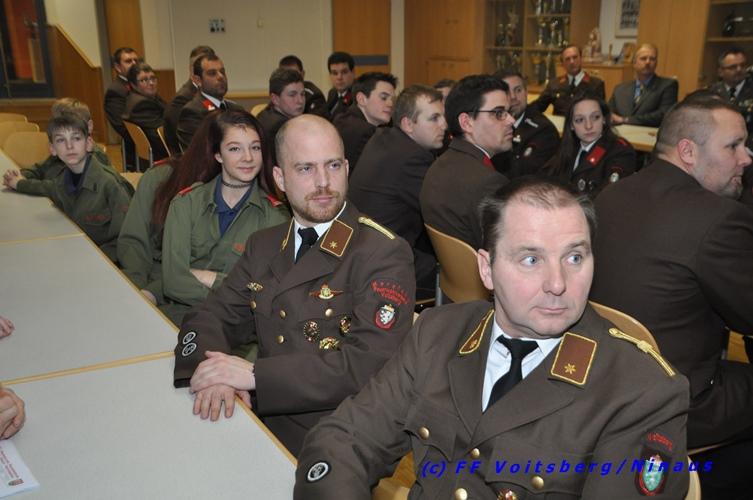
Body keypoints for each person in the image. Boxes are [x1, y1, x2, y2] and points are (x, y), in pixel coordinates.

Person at [294, 177, 690, 499]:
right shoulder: (438, 334)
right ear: (487, 269)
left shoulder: (641, 392)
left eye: (574, 258)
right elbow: (343, 440)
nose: (557, 283)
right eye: (531, 259)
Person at [172, 115, 415, 456]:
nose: (323, 182)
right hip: (262, 413)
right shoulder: (264, 245)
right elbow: (213, 315)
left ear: (347, 168)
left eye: (333, 165)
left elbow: (367, 365)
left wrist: (255, 375)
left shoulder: (381, 252)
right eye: (305, 169)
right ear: (280, 179)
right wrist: (215, 375)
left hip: (340, 432)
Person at [590, 95, 753, 499]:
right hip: (676, 400)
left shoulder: (610, 197)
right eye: (734, 146)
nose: (747, 157)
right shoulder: (718, 219)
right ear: (688, 152)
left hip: (602, 381)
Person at [161, 110, 289, 325]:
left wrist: (208, 277)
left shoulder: (276, 217)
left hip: (241, 329)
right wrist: (236, 291)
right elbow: (173, 283)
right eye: (235, 148)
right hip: (181, 319)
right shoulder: (186, 204)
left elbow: (266, 290)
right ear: (218, 155)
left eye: (255, 147)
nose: (248, 157)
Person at [349, 84, 447, 295]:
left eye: (443, 117)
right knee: (459, 272)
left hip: (358, 250)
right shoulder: (413, 159)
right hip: (382, 264)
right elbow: (444, 211)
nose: (444, 125)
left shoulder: (382, 137)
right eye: (434, 118)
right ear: (408, 124)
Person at [420, 74, 513, 250]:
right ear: (467, 122)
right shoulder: (487, 182)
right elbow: (503, 252)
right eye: (498, 113)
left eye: (509, 112)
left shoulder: (439, 164)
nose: (511, 120)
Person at [43, 114, 131, 262]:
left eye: (76, 138)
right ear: (52, 149)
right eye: (61, 140)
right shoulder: (60, 182)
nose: (69, 146)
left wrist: (92, 259)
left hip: (108, 260)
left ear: (89, 143)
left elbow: (127, 238)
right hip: (77, 253)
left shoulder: (110, 184)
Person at [2, 98, 133, 197]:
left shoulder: (94, 158)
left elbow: (57, 188)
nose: (68, 142)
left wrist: (20, 184)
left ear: (89, 126)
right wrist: (19, 175)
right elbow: (40, 168)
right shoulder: (62, 151)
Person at [545, 93, 636, 197]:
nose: (588, 126)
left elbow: (608, 197)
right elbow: (545, 179)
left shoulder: (619, 151)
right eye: (580, 120)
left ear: (604, 119)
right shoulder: (567, 145)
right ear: (571, 125)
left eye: (595, 117)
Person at [491, 70, 560, 178]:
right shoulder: (489, 123)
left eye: (518, 90)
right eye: (506, 92)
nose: (513, 97)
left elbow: (526, 177)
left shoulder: (544, 131)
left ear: (526, 92)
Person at [176, 54, 244, 150]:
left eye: (222, 72)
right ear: (198, 80)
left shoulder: (236, 109)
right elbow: (199, 153)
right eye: (212, 73)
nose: (221, 77)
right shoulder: (192, 112)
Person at [333, 72, 396, 169]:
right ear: (361, 99)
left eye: (393, 100)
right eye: (384, 98)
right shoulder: (365, 132)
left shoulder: (343, 119)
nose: (390, 104)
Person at [609, 43, 678, 127]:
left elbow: (664, 114)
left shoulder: (668, 85)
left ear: (656, 63)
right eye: (643, 58)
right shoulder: (620, 89)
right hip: (620, 133)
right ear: (634, 63)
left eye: (652, 59)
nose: (648, 62)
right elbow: (609, 113)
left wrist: (626, 120)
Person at [164, 45, 215, 155]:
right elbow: (189, 141)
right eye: (211, 71)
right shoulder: (182, 100)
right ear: (193, 70)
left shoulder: (206, 94)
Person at [530, 45, 605, 116]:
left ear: (581, 59)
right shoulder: (554, 84)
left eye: (575, 57)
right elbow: (537, 106)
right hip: (560, 124)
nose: (572, 62)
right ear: (563, 64)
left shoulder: (595, 84)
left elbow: (601, 113)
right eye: (567, 59)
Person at [122, 61, 169, 163]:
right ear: (133, 85)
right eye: (144, 80)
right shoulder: (141, 105)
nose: (151, 83)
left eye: (153, 78)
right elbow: (161, 135)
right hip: (159, 157)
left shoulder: (140, 98)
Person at [104, 47, 139, 170]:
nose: (134, 64)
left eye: (136, 60)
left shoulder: (141, 84)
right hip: (135, 150)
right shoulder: (115, 90)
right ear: (118, 67)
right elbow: (121, 125)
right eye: (128, 61)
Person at [709, 47, 753, 137]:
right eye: (733, 67)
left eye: (743, 65)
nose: (739, 69)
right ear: (720, 72)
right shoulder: (710, 93)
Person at [257, 68, 305, 147]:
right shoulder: (282, 128)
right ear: (275, 99)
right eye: (292, 95)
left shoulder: (264, 114)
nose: (300, 101)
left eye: (302, 94)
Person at [325, 51, 355, 118]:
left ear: (353, 73)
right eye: (335, 73)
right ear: (330, 75)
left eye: (344, 72)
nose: (339, 77)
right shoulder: (332, 93)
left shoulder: (358, 95)